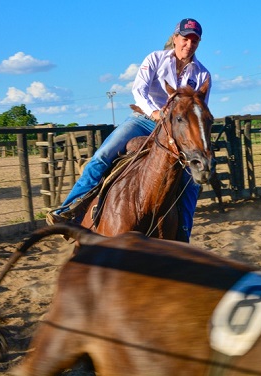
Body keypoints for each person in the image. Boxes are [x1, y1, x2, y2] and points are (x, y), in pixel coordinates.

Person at [47, 18, 211, 242]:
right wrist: (154, 112)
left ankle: (183, 234)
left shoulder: (202, 74)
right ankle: (70, 209)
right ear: (175, 39)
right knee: (103, 156)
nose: (189, 45)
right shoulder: (155, 59)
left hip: (175, 130)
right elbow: (139, 89)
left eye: (194, 41)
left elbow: (199, 110)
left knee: (190, 182)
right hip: (144, 120)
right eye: (185, 39)